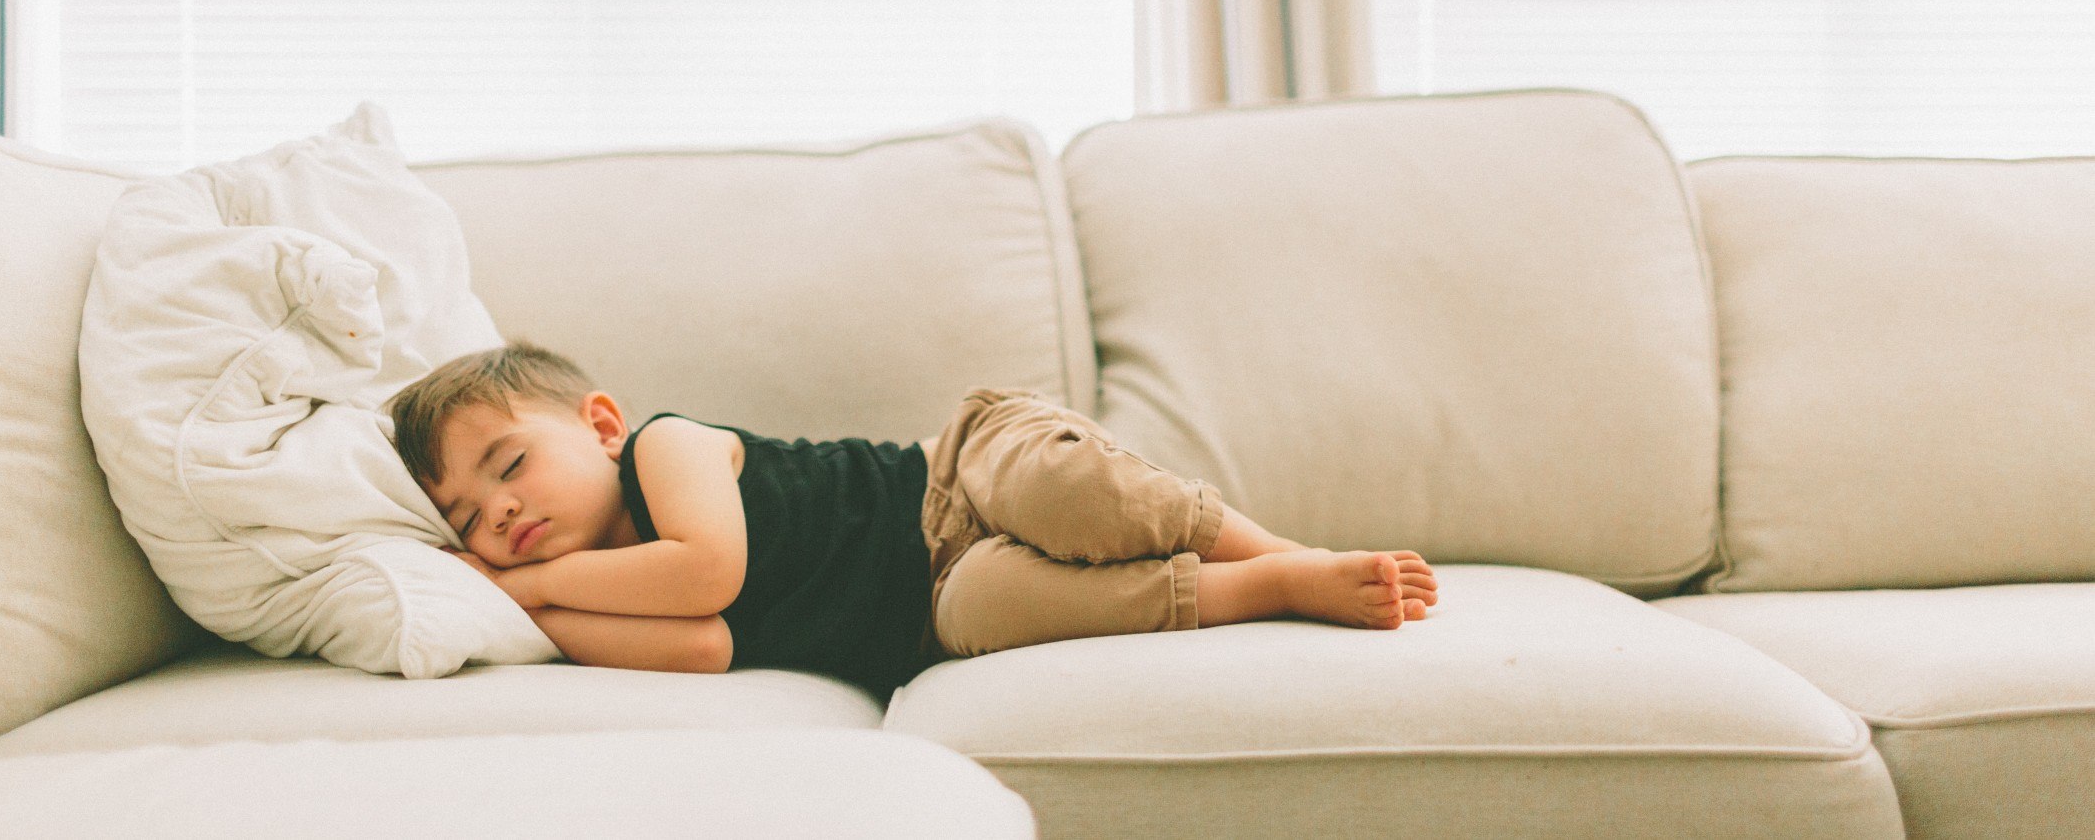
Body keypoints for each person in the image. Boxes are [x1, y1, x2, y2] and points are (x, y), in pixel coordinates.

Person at [387, 340, 1438, 701]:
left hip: (955, 481)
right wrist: (541, 613)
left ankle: (1279, 549)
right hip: (928, 607)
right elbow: (704, 646)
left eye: (510, 464)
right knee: (1003, 606)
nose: (503, 510)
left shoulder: (666, 447)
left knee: (1067, 493)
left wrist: (521, 586)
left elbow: (704, 574)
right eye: (468, 518)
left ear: (601, 424)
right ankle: (1260, 590)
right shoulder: (574, 598)